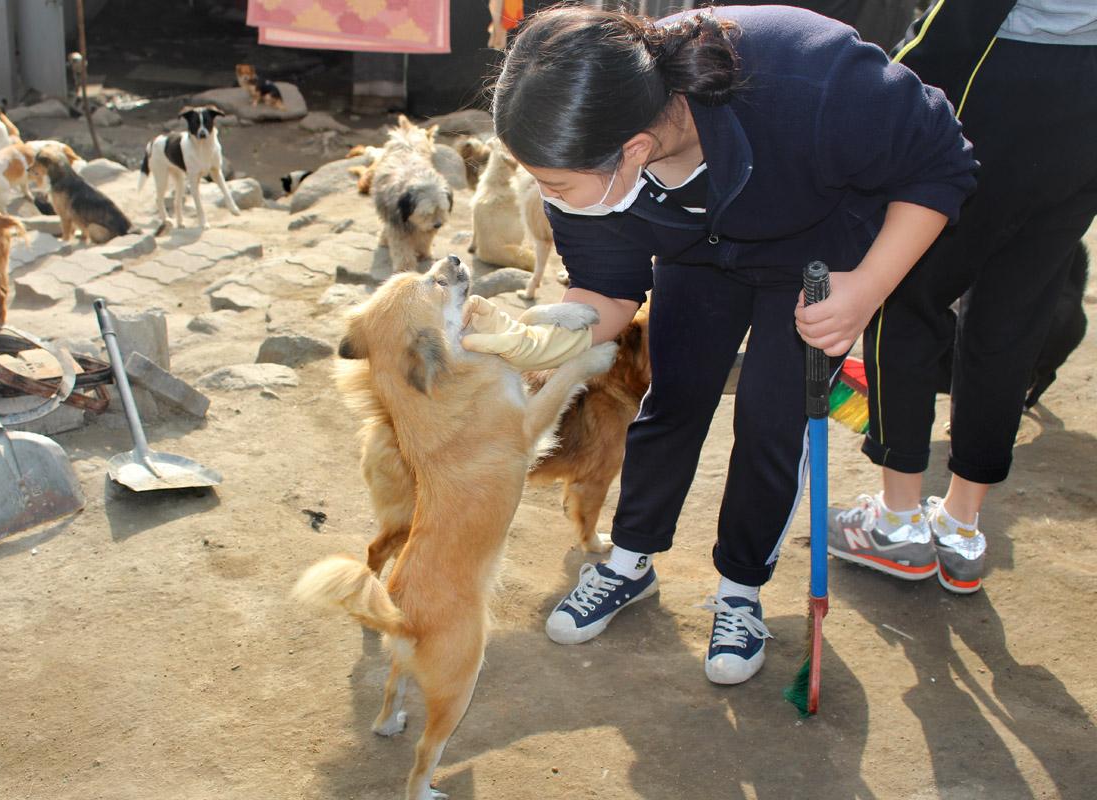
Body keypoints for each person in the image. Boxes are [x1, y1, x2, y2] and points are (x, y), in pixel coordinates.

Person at [460, 3, 977, 685]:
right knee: (672, 397)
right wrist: (533, 341)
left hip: (813, 251)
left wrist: (869, 287)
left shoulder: (807, 77)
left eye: (553, 184)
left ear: (635, 152)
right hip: (695, 255)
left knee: (770, 420)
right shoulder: (584, 167)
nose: (546, 196)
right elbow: (609, 292)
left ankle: (741, 589)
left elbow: (940, 160)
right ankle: (629, 561)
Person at [828, 0, 1097, 595]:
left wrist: (877, 93)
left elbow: (951, 26)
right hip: (1086, 117)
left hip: (998, 83)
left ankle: (898, 522)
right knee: (1013, 320)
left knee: (904, 295)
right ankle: (960, 527)